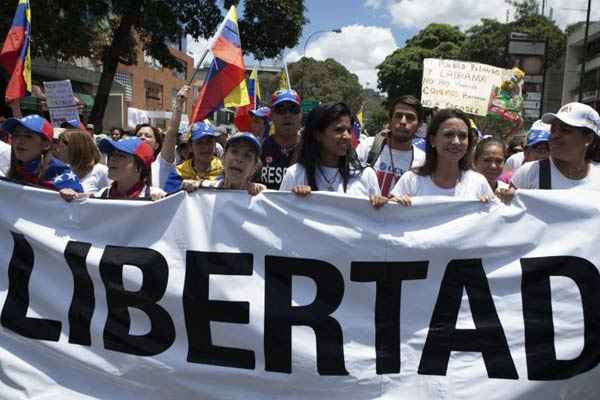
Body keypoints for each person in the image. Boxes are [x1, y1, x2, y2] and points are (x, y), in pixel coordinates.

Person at [280, 102, 383, 207]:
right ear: (318, 134)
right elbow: (281, 218)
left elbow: (378, 220)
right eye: (339, 130)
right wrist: (295, 200)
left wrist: (380, 206)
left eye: (348, 130)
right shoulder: (295, 175)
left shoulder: (366, 175)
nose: (347, 136)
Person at [390, 108, 494, 205]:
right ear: (433, 140)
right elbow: (389, 219)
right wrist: (394, 205)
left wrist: (489, 207)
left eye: (462, 136)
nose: (456, 142)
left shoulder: (478, 183)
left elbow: (496, 219)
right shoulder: (411, 180)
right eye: (448, 135)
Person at [499, 102, 600, 197]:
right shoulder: (529, 173)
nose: (555, 136)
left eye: (565, 130)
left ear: (588, 139)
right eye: (553, 130)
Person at [355, 95, 426, 197]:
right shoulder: (367, 147)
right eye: (398, 116)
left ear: (419, 124)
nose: (403, 121)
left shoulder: (422, 161)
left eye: (410, 117)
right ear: (390, 120)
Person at [2, 114, 83, 193]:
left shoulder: (60, 171)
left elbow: (82, 203)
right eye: (16, 135)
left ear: (46, 144)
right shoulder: (18, 169)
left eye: (28, 136)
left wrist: (72, 195)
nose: (19, 141)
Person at [183, 132, 265, 195]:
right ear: (223, 159)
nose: (239, 159)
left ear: (254, 168)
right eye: (234, 151)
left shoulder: (260, 197)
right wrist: (187, 188)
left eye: (247, 155)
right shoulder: (204, 189)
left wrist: (264, 194)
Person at [96, 137, 165, 200]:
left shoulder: (157, 197)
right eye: (111, 155)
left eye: (121, 156)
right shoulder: (101, 194)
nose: (112, 159)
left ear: (139, 167)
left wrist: (160, 205)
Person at [259, 89, 302, 190]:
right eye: (280, 110)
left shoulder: (312, 150)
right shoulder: (259, 149)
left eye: (293, 109)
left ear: (300, 115)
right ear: (272, 116)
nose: (287, 115)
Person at [163, 121, 224, 193]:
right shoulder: (179, 172)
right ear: (190, 147)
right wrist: (181, 187)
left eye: (209, 142)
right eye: (199, 143)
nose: (205, 147)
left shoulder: (224, 171)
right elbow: (168, 198)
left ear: (214, 145)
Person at [63, 129, 110, 194]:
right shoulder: (63, 170)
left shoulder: (102, 171)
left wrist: (90, 197)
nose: (59, 149)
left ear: (78, 147)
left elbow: (111, 198)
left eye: (64, 144)